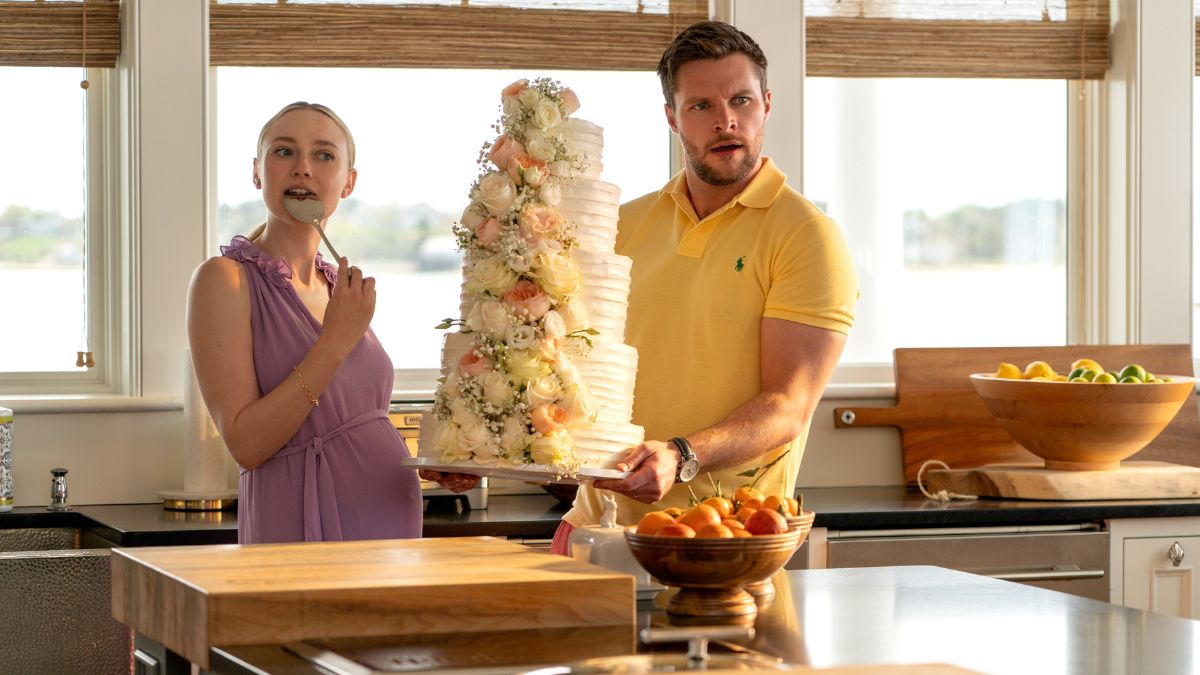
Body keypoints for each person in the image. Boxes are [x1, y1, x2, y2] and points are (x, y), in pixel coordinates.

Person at [552, 21, 859, 551]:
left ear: (766, 105)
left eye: (741, 100)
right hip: (592, 523)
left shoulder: (808, 237)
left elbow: (789, 404)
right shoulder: (621, 225)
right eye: (701, 106)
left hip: (725, 534)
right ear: (672, 117)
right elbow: (571, 365)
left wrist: (680, 454)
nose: (726, 121)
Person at [187, 101, 470, 544]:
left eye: (323, 155)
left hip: (388, 523)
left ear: (348, 181)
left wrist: (439, 462)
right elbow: (247, 446)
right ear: (257, 173)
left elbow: (353, 418)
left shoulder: (339, 285)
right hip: (296, 522)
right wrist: (335, 341)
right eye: (283, 152)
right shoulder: (223, 280)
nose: (302, 169)